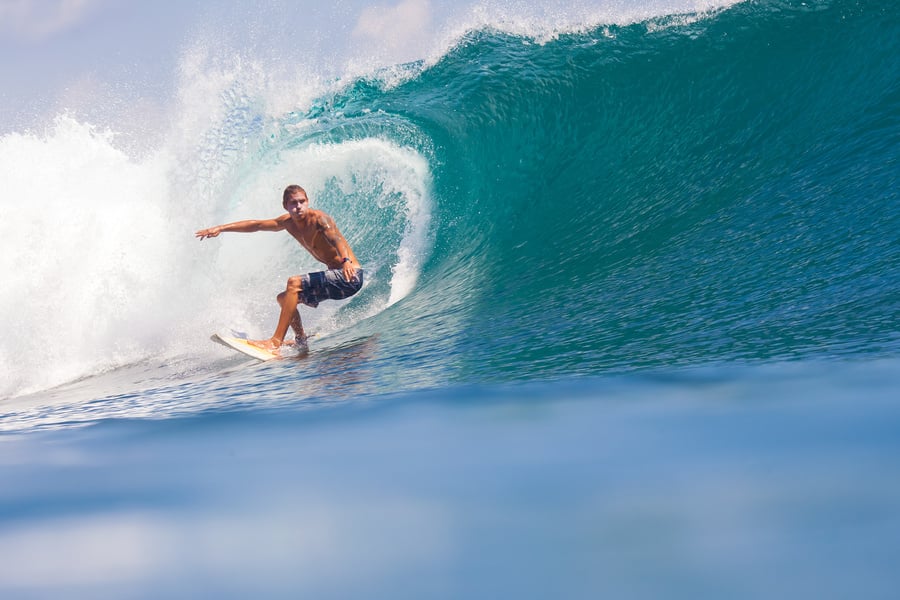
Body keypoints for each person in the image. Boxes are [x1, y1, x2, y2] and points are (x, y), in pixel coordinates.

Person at [195, 184, 362, 352]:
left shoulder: (320, 219)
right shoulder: (288, 223)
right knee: (284, 298)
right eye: (293, 203)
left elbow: (336, 240)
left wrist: (346, 260)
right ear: (285, 206)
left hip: (350, 276)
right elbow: (257, 225)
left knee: (294, 282)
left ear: (308, 201)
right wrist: (221, 228)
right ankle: (301, 339)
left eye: (302, 201)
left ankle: (274, 342)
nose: (298, 206)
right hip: (335, 279)